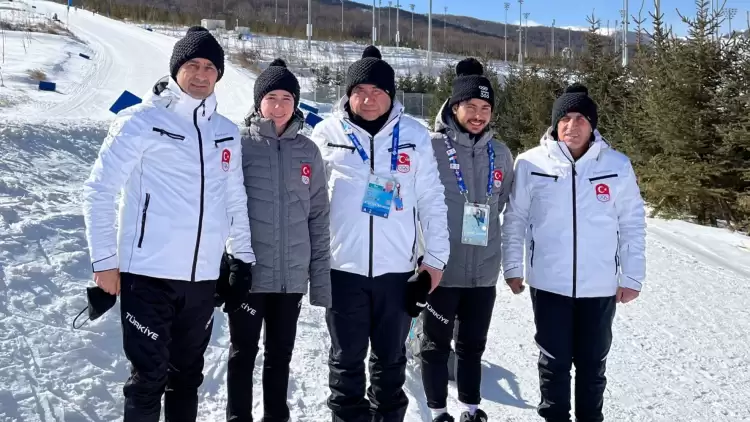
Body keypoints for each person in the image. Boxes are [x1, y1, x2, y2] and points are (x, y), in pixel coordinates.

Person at [81, 26, 255, 422]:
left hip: (202, 282)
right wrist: (104, 262)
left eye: (210, 66)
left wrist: (241, 258)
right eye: (192, 64)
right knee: (148, 378)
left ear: (219, 75)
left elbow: (235, 200)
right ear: (176, 69)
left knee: (187, 377)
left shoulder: (226, 132)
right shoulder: (139, 121)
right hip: (148, 276)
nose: (201, 73)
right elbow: (99, 190)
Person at [310, 45, 450, 422]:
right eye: (360, 91)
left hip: (396, 274)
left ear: (391, 95)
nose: (368, 99)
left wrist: (435, 261)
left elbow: (432, 199)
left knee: (391, 364)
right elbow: (306, 202)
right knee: (345, 365)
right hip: (342, 271)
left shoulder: (414, 136)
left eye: (378, 91)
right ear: (348, 94)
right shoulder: (325, 134)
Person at [501, 84, 647, 422]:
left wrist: (633, 275)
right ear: (554, 125)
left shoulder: (617, 166)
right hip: (549, 284)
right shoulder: (531, 164)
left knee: (592, 366)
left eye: (580, 117)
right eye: (564, 118)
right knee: (553, 363)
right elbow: (515, 218)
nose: (572, 125)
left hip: (599, 286)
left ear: (592, 124)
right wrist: (512, 267)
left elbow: (632, 223)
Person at [221, 58, 331, 422]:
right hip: (251, 275)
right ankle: (238, 416)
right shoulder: (240, 145)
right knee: (242, 352)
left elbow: (318, 217)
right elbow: (225, 209)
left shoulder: (308, 152)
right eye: (272, 97)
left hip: (290, 279)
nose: (280, 105)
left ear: (296, 102)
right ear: (259, 102)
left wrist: (320, 280)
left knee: (280, 354)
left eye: (287, 97)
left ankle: (275, 417)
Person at [419, 58, 514, 422]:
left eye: (485, 108)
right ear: (454, 107)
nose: (477, 115)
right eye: (470, 106)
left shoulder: (501, 154)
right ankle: (437, 409)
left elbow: (504, 203)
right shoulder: (431, 148)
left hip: (483, 272)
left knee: (473, 346)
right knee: (435, 346)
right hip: (442, 270)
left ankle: (471, 409)